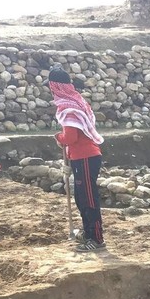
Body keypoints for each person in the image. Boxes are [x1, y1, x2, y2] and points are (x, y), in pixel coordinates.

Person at [48, 67, 106, 252]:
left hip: (85, 157)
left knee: (88, 199)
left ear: (54, 86)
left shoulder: (68, 107)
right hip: (82, 157)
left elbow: (71, 137)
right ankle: (88, 232)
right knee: (81, 198)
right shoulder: (76, 101)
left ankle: (96, 238)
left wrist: (59, 137)